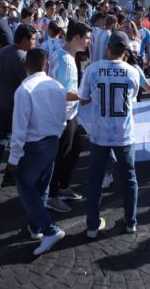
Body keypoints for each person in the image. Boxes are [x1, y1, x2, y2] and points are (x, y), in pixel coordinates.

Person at [80, 31, 150, 239]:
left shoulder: (93, 69)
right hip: (124, 133)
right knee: (129, 178)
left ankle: (92, 225)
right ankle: (130, 222)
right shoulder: (132, 71)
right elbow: (137, 94)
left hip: (99, 133)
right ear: (125, 50)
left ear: (108, 48)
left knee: (95, 180)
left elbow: (83, 99)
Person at [5, 48, 68, 256]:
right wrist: (56, 134)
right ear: (47, 64)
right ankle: (36, 227)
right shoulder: (58, 86)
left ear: (26, 67)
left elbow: (19, 128)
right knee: (42, 188)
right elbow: (64, 117)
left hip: (33, 146)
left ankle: (49, 228)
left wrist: (13, 158)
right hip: (52, 142)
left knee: (26, 188)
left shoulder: (24, 90)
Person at [45, 21, 92, 213]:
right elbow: (63, 93)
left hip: (69, 113)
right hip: (63, 114)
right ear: (76, 37)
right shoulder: (65, 59)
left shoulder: (65, 55)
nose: (89, 42)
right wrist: (85, 96)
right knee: (63, 155)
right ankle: (52, 195)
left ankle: (62, 187)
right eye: (87, 38)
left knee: (73, 151)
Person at [0, 25, 36, 189]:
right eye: (33, 39)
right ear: (24, 40)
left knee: (3, 135)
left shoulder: (4, 51)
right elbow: (27, 85)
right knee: (18, 139)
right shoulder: (23, 57)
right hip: (13, 105)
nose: (35, 42)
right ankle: (8, 173)